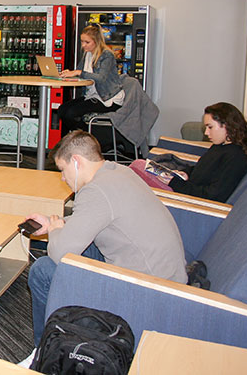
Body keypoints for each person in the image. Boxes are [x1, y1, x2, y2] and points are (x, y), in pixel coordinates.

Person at [26, 131, 186, 346]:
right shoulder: (118, 171)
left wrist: (55, 231)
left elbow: (59, 254)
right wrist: (50, 222)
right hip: (166, 274)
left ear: (76, 161)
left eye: (62, 170)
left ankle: (43, 350)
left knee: (43, 270)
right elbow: (93, 217)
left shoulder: (95, 191)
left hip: (148, 289)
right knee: (81, 246)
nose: (63, 178)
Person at [130, 102, 247, 203]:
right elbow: (203, 168)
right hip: (184, 186)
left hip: (185, 196)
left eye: (210, 127)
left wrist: (174, 183)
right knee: (138, 168)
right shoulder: (221, 145)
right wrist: (185, 173)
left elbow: (213, 196)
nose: (206, 133)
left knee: (137, 167)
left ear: (227, 125)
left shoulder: (236, 158)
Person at [57, 25, 124, 134]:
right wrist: (69, 73)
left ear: (96, 41)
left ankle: (86, 136)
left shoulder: (107, 55)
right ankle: (84, 135)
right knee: (62, 110)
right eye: (82, 42)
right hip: (93, 95)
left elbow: (101, 78)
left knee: (71, 113)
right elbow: (80, 72)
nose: (83, 45)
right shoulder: (87, 54)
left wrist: (78, 73)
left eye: (87, 42)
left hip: (108, 98)